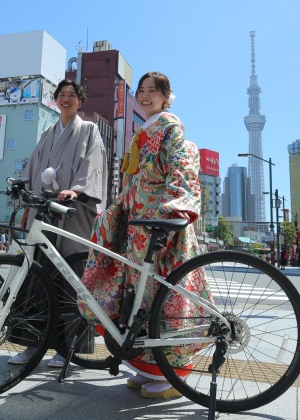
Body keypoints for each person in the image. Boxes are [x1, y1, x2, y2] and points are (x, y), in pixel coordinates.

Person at [79, 71, 209, 399]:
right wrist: (117, 211)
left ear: (167, 96)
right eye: (142, 90)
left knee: (165, 293)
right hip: (141, 222)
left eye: (154, 90)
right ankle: (144, 366)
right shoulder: (143, 132)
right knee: (139, 294)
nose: (146, 95)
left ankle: (171, 374)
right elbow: (134, 181)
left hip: (162, 220)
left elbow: (181, 166)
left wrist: (178, 207)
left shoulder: (169, 127)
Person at [9, 78, 107, 369]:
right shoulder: (48, 133)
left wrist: (77, 190)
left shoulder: (89, 130)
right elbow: (33, 169)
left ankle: (68, 349)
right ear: (55, 100)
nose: (66, 99)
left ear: (80, 101)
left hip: (72, 212)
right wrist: (26, 201)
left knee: (68, 279)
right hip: (44, 211)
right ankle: (31, 344)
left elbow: (94, 165)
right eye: (61, 95)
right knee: (36, 277)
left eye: (72, 95)